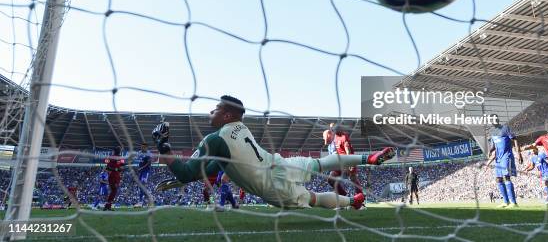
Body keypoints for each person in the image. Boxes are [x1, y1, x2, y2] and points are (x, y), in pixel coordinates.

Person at [153, 95, 394, 210]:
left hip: (272, 187)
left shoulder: (214, 139)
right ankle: (369, 157)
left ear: (227, 115)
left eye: (215, 109)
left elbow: (188, 173)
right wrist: (179, 179)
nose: (211, 112)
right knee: (321, 163)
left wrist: (163, 144)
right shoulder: (241, 127)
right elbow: (218, 165)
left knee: (314, 198)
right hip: (278, 163)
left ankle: (353, 201)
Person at [485, 114, 523, 208]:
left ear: (497, 119)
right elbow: (493, 146)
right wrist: (490, 151)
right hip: (498, 158)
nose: (493, 121)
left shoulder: (505, 128)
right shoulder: (492, 132)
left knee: (506, 177)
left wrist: (518, 153)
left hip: (506, 156)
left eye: (495, 119)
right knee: (498, 179)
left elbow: (515, 139)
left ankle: (513, 203)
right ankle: (506, 202)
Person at [332, 124, 363, 195]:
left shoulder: (344, 137)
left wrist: (349, 164)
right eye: (333, 130)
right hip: (340, 161)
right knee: (331, 178)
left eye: (335, 130)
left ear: (339, 129)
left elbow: (348, 151)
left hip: (349, 160)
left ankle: (361, 199)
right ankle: (344, 196)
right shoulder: (335, 137)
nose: (334, 131)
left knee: (353, 179)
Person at [104, 146, 125, 211]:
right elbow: (108, 168)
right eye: (119, 150)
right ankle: (107, 205)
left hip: (115, 176)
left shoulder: (118, 158)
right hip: (113, 175)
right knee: (114, 190)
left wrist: (119, 168)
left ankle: (108, 206)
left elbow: (122, 165)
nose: (120, 151)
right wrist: (116, 169)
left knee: (114, 191)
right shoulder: (115, 158)